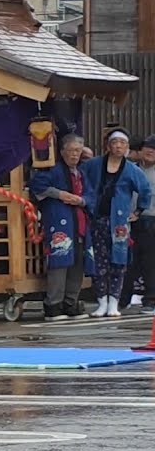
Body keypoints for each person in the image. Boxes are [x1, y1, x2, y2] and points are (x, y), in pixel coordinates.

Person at [81, 127, 152, 318]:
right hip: (96, 219)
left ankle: (114, 301)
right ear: (108, 145)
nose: (118, 146)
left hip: (119, 221)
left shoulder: (131, 169)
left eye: (122, 143)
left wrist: (138, 211)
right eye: (114, 142)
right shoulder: (94, 165)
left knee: (118, 262)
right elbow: (80, 178)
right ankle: (101, 301)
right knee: (98, 262)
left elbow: (145, 190)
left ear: (127, 147)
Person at [31, 134, 95, 321]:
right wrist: (60, 194)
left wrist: (82, 200)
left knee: (78, 262)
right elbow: (37, 185)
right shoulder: (53, 170)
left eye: (78, 151)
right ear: (62, 151)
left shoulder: (81, 173)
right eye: (71, 150)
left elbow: (91, 195)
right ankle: (53, 305)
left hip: (80, 221)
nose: (75, 154)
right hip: (60, 221)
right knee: (60, 260)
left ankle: (71, 303)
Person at [121, 135, 155, 313]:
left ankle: (151, 300)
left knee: (150, 262)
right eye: (147, 148)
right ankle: (122, 299)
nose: (150, 151)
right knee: (128, 261)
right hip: (129, 221)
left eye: (154, 149)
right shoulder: (131, 169)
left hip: (152, 219)